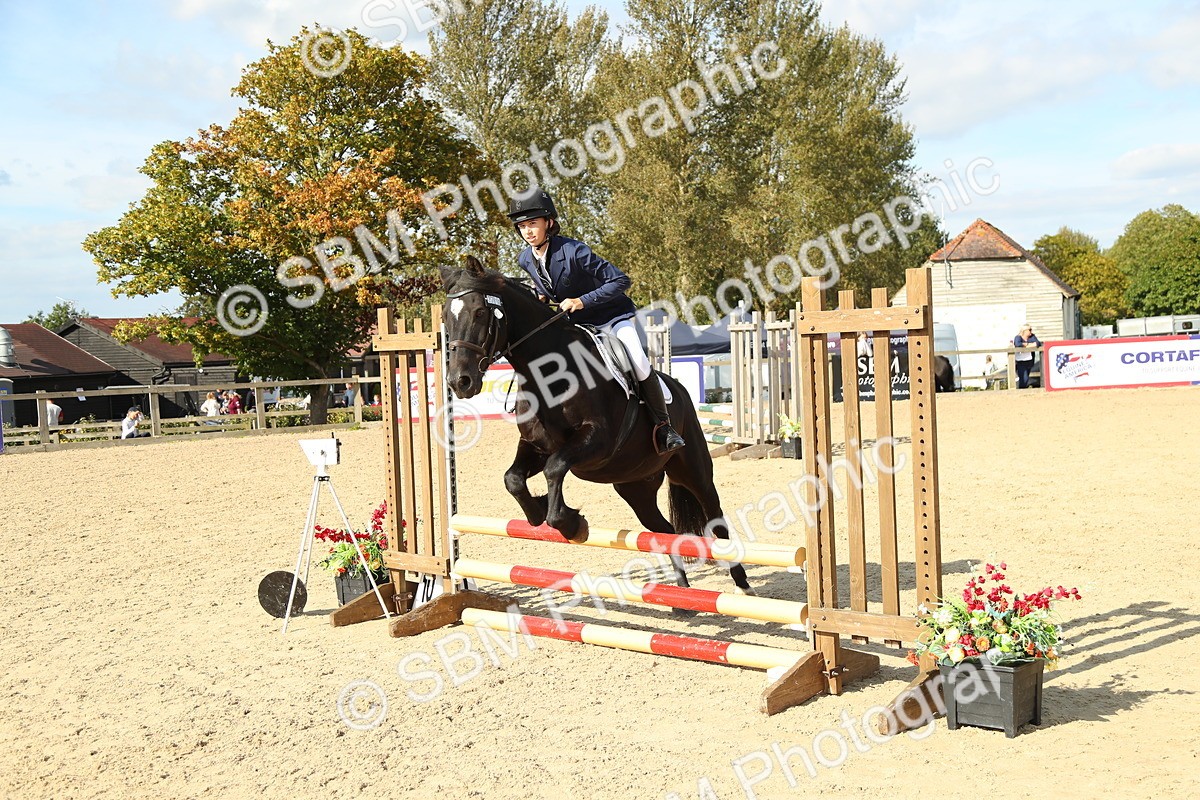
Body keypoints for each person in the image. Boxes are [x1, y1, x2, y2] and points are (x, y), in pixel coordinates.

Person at [507, 188, 685, 453]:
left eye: (533, 224)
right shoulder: (525, 259)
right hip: (576, 325)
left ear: (549, 223)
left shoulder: (575, 251)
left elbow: (621, 280)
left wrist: (582, 301)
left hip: (611, 317)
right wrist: (542, 299)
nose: (528, 231)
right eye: (522, 226)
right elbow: (548, 287)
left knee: (637, 360)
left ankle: (664, 427)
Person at [1013, 325, 1041, 389]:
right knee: (1023, 377)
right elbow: (1017, 344)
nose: (1031, 331)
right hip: (1020, 361)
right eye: (1029, 330)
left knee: (1027, 377)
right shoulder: (1018, 337)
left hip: (1029, 360)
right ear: (1024, 331)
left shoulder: (1032, 337)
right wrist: (1029, 344)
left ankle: (1022, 389)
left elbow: (1037, 343)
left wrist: (1025, 345)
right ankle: (1021, 390)